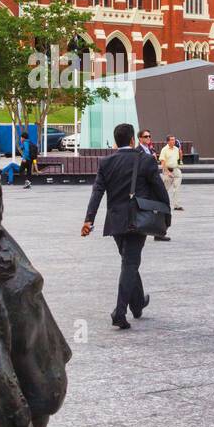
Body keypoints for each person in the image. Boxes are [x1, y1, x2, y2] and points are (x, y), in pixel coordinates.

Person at [81, 122, 171, 330]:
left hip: (115, 221)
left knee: (129, 260)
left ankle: (138, 304)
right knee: (130, 263)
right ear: (132, 140)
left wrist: (89, 219)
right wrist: (166, 216)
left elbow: (97, 192)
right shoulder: (146, 161)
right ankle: (119, 312)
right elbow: (160, 190)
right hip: (137, 220)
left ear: (116, 141)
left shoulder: (106, 162)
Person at [159, 135, 183, 212]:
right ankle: (162, 204)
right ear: (168, 141)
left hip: (176, 170)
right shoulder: (164, 150)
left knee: (177, 189)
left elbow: (178, 160)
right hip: (167, 171)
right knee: (165, 189)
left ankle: (177, 205)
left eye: (174, 140)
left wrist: (180, 154)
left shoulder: (176, 149)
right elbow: (162, 162)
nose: (174, 141)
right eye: (172, 140)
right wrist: (167, 172)